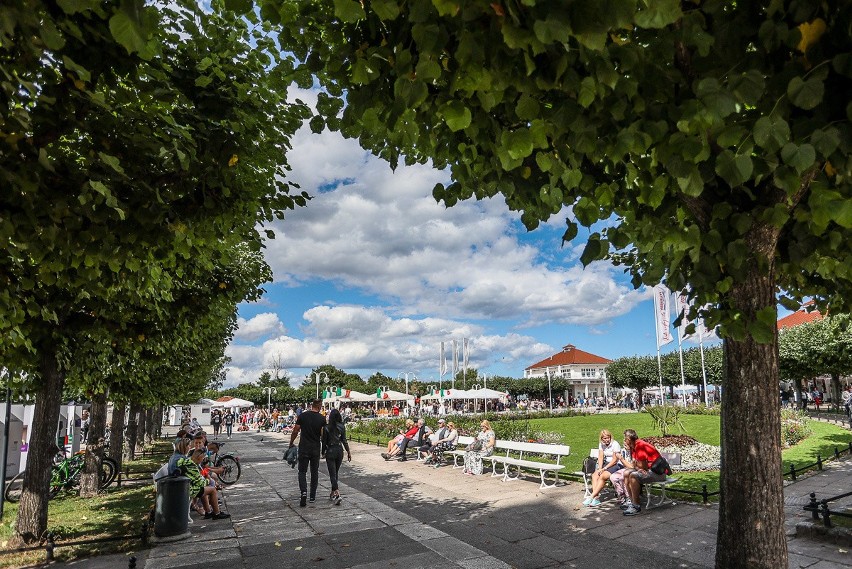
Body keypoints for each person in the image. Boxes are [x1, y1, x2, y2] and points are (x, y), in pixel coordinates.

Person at [621, 429, 668, 516]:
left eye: (624, 439)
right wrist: (636, 466)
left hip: (658, 473)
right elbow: (636, 465)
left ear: (628, 439)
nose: (624, 441)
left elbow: (643, 467)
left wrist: (636, 467)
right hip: (650, 471)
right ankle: (632, 501)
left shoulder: (640, 446)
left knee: (633, 476)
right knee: (626, 473)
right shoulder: (634, 447)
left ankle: (636, 506)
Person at [289, 399, 326, 507]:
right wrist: (324, 449)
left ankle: (303, 492)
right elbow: (323, 435)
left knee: (302, 471)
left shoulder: (303, 416)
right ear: (319, 407)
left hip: (304, 447)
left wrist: (291, 442)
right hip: (315, 448)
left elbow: (295, 430)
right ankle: (312, 496)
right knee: (314, 472)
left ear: (311, 406)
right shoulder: (322, 419)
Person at [583, 429, 623, 507]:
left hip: (615, 465)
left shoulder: (615, 444)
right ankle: (596, 498)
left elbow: (615, 460)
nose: (607, 440)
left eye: (608, 437)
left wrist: (604, 469)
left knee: (603, 476)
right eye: (605, 438)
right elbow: (600, 457)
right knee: (595, 475)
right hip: (605, 464)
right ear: (601, 439)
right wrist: (600, 468)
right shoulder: (601, 444)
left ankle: (592, 497)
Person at [322, 409, 351, 505]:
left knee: (332, 474)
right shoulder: (342, 426)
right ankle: (332, 492)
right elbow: (344, 440)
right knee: (335, 473)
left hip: (330, 450)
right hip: (339, 450)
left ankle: (337, 493)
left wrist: (323, 452)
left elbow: (324, 442)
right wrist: (348, 451)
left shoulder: (326, 427)